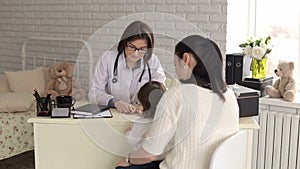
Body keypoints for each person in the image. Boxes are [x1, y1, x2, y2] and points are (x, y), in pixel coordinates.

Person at [116, 35, 239, 169]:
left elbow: (148, 155)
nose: (176, 70)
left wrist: (128, 158)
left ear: (186, 59)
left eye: (175, 64)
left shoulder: (177, 95)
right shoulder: (230, 96)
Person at [89, 21, 166, 114]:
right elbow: (94, 93)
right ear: (124, 43)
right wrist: (115, 102)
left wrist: (145, 104)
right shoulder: (108, 58)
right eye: (132, 47)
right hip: (114, 114)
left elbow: (159, 92)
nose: (135, 53)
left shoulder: (153, 61)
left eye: (142, 49)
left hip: (140, 115)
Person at [115, 81, 166, 169]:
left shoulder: (142, 122)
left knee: (119, 167)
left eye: (139, 103)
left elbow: (132, 140)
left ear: (145, 105)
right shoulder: (165, 120)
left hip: (143, 162)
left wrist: (128, 131)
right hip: (162, 161)